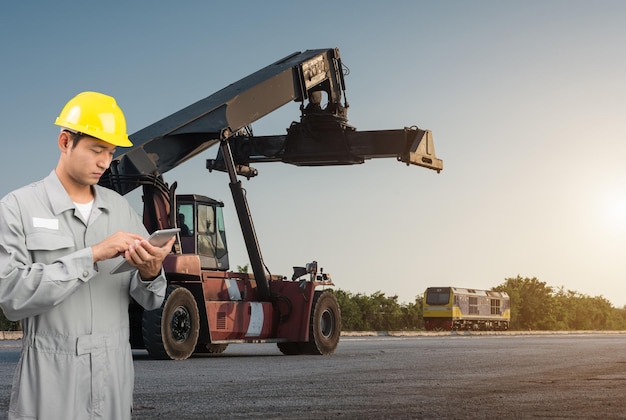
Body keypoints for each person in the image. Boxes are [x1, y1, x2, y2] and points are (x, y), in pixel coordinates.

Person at [0, 91, 175, 420]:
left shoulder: (119, 210)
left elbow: (150, 300)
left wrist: (151, 273)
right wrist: (91, 255)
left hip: (112, 385)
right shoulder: (18, 208)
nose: (104, 162)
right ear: (65, 142)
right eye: (96, 149)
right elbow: (11, 296)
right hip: (50, 386)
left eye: (109, 152)